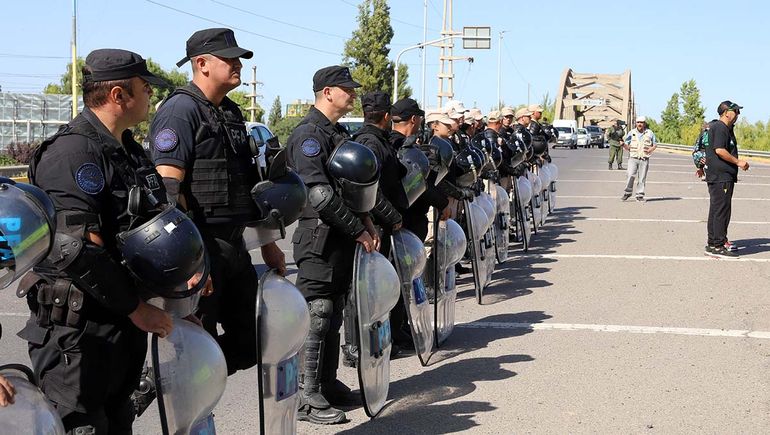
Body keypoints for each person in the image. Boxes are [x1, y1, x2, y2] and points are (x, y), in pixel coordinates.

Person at [20, 49, 176, 433]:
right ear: (119, 95)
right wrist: (137, 309)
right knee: (83, 426)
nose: (151, 97)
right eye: (145, 88)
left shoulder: (128, 149)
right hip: (78, 333)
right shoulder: (72, 152)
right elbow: (77, 249)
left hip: (118, 320)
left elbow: (153, 219)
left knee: (118, 419)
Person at [149, 28, 284, 375]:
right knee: (196, 345)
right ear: (202, 64)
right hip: (202, 246)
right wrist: (192, 262)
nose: (238, 64)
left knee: (252, 340)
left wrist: (267, 243)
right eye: (230, 59)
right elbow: (167, 196)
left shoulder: (232, 113)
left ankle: (189, 379)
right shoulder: (180, 111)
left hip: (235, 247)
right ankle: (157, 390)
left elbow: (250, 186)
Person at [286, 65, 377, 424]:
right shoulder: (308, 135)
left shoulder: (336, 132)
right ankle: (305, 396)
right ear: (327, 92)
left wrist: (367, 218)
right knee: (317, 313)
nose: (352, 95)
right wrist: (358, 228)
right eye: (346, 89)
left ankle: (325, 381)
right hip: (318, 237)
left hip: (340, 234)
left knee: (335, 309)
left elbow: (353, 185)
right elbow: (319, 194)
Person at [704, 101, 749, 258]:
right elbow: (720, 150)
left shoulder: (723, 128)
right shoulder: (721, 128)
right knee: (721, 210)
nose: (738, 115)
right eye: (736, 111)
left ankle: (713, 242)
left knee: (717, 209)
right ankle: (718, 245)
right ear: (726, 112)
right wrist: (738, 162)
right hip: (720, 176)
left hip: (720, 176)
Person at [621, 116, 657, 202]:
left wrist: (650, 149)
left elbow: (655, 144)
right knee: (630, 175)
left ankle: (639, 195)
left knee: (642, 178)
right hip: (633, 157)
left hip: (644, 158)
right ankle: (628, 192)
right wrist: (623, 145)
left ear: (644, 124)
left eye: (641, 122)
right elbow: (627, 145)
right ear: (636, 123)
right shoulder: (631, 132)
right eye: (638, 122)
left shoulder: (649, 133)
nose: (640, 124)